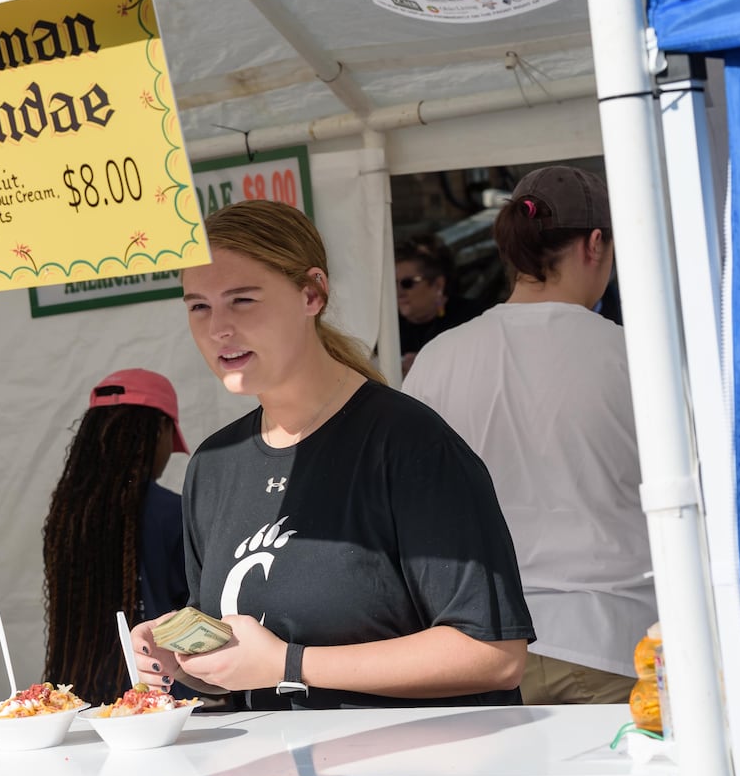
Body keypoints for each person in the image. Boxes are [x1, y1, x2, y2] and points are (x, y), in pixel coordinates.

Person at [130, 199, 533, 710]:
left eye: (243, 300)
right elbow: (241, 659)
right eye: (199, 306)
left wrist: (291, 663)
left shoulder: (408, 444)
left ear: (312, 293)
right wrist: (185, 658)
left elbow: (495, 652)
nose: (218, 329)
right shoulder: (214, 464)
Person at [404, 166, 653, 704]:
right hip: (613, 640)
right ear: (595, 245)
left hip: (479, 650)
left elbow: (408, 508)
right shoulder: (635, 356)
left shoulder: (438, 357)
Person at [42, 368, 191, 705]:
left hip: (80, 701)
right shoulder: (173, 513)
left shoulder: (67, 516)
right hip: (162, 701)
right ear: (160, 430)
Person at [395, 233, 486, 376]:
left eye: (407, 283)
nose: (398, 291)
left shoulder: (472, 320)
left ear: (438, 284)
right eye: (393, 283)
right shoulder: (386, 327)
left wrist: (428, 364)